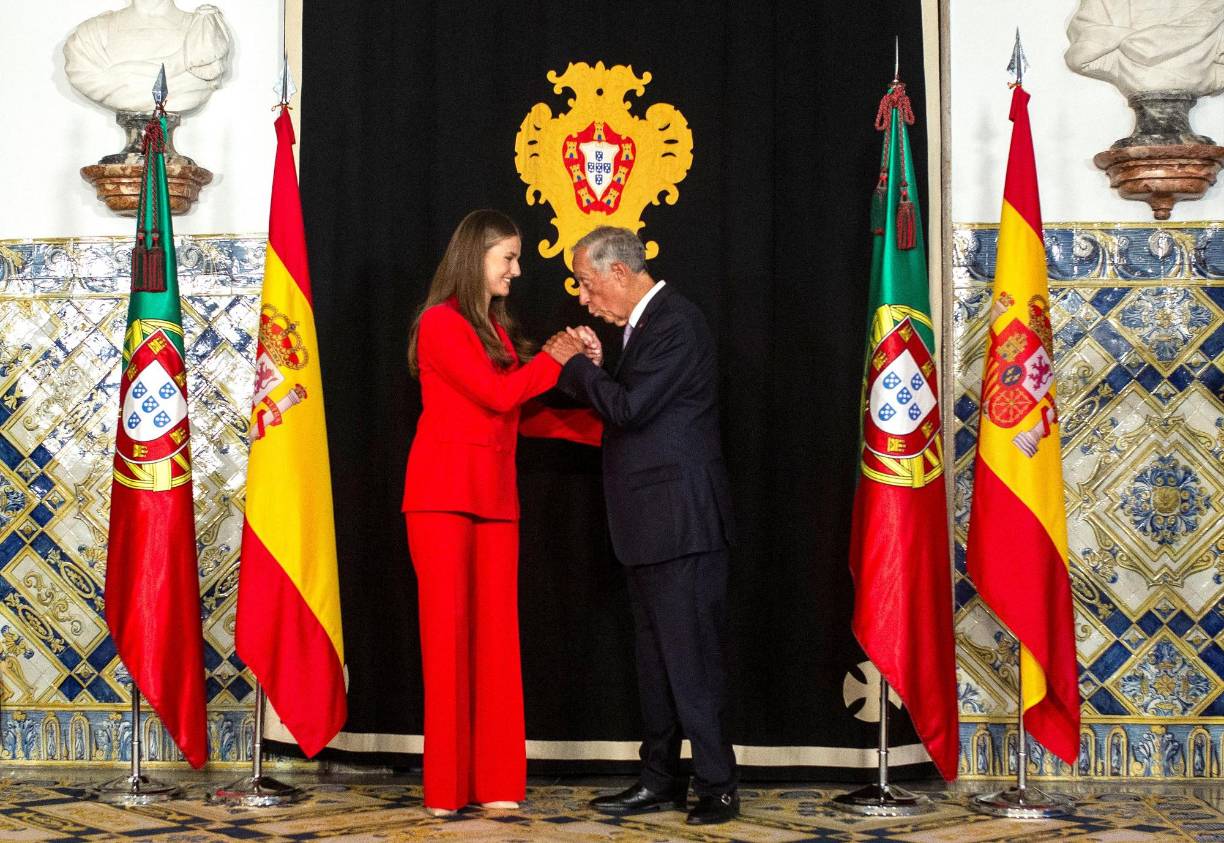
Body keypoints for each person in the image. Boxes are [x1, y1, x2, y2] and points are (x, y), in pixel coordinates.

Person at [403, 210, 600, 817]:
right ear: (475, 258)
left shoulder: (494, 328)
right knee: (447, 642)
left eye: (515, 259)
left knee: (497, 645)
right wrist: (562, 351)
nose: (517, 270)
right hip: (440, 499)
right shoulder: (439, 324)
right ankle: (445, 790)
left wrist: (609, 423)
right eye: (507, 259)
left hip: (494, 501)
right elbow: (498, 394)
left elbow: (518, 413)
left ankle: (495, 784)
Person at [547, 226, 738, 825]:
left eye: (586, 282)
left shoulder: (677, 322)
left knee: (690, 663)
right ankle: (658, 780)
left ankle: (717, 785)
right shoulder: (645, 327)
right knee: (656, 666)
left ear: (621, 274)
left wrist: (574, 365)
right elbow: (639, 401)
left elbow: (629, 410)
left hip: (681, 525)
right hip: (652, 526)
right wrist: (602, 364)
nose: (583, 297)